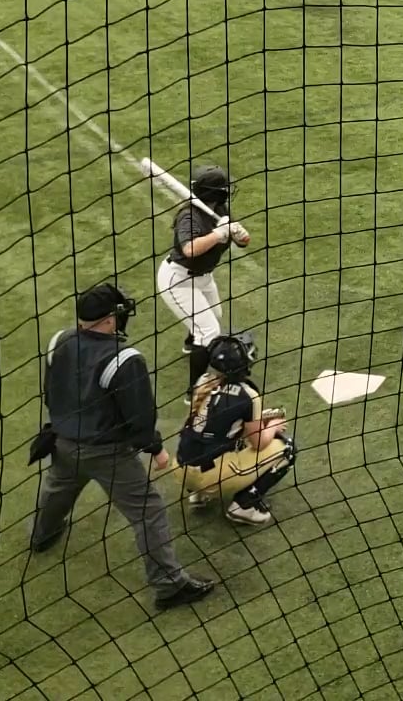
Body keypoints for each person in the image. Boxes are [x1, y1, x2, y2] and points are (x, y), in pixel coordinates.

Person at [29, 282, 217, 610]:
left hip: (63, 442)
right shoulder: (125, 359)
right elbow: (139, 417)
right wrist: (156, 449)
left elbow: (51, 392)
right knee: (149, 511)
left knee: (57, 488)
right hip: (107, 454)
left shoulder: (59, 341)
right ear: (109, 319)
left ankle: (41, 536)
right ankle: (169, 586)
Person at [177, 332, 296, 525]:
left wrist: (255, 420)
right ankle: (244, 506)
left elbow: (205, 420)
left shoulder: (203, 381)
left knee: (209, 438)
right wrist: (273, 426)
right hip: (210, 477)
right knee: (288, 449)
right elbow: (258, 443)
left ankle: (197, 494)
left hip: (181, 468)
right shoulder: (248, 395)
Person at [157, 165, 250, 391]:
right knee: (209, 332)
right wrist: (219, 234)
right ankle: (195, 391)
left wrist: (240, 235)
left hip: (204, 278)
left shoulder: (220, 208)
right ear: (213, 192)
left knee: (215, 316)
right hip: (178, 280)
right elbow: (189, 249)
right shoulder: (189, 217)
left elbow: (243, 241)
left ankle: (191, 344)